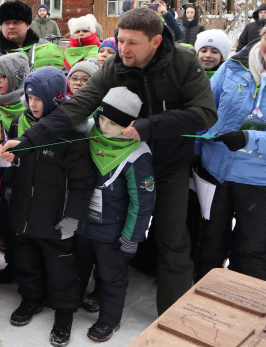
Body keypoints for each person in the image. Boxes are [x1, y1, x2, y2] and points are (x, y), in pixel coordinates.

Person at [0, 7, 218, 315]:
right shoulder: (115, 66)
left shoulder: (183, 61)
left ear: (155, 42)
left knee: (171, 237)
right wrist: (29, 140)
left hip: (168, 165)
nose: (123, 49)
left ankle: (173, 316)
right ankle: (102, 290)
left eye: (132, 43)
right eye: (120, 40)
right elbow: (77, 106)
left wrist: (148, 126)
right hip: (117, 164)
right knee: (106, 233)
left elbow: (205, 114)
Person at [0, 66, 94, 347]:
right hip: (24, 213)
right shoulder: (19, 123)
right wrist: (8, 191)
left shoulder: (72, 133)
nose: (33, 104)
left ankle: (64, 313)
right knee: (26, 261)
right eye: (29, 97)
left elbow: (81, 182)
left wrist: (72, 218)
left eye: (39, 98)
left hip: (54, 218)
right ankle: (31, 299)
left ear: (56, 98)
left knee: (61, 269)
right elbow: (12, 166)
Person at [194, 7, 266, 282]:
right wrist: (195, 152)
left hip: (260, 180)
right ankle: (203, 297)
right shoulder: (234, 65)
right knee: (210, 242)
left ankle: (244, 302)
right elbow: (205, 110)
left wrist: (250, 139)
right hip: (215, 172)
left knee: (250, 250)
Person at [75, 87, 155, 343]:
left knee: (112, 276)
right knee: (77, 266)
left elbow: (142, 201)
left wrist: (131, 236)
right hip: (82, 222)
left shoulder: (138, 154)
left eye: (113, 123)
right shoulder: (90, 133)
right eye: (102, 118)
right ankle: (71, 301)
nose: (104, 126)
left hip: (112, 230)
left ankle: (109, 319)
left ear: (130, 125)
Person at [0, 52, 29, 284]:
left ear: (17, 78)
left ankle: (23, 268)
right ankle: (12, 262)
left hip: (21, 174)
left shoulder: (29, 105)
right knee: (3, 219)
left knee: (20, 224)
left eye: (2, 77)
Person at [0, 0, 49, 79]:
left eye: (16, 22)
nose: (11, 27)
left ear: (27, 25)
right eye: (7, 23)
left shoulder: (46, 48)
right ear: (1, 26)